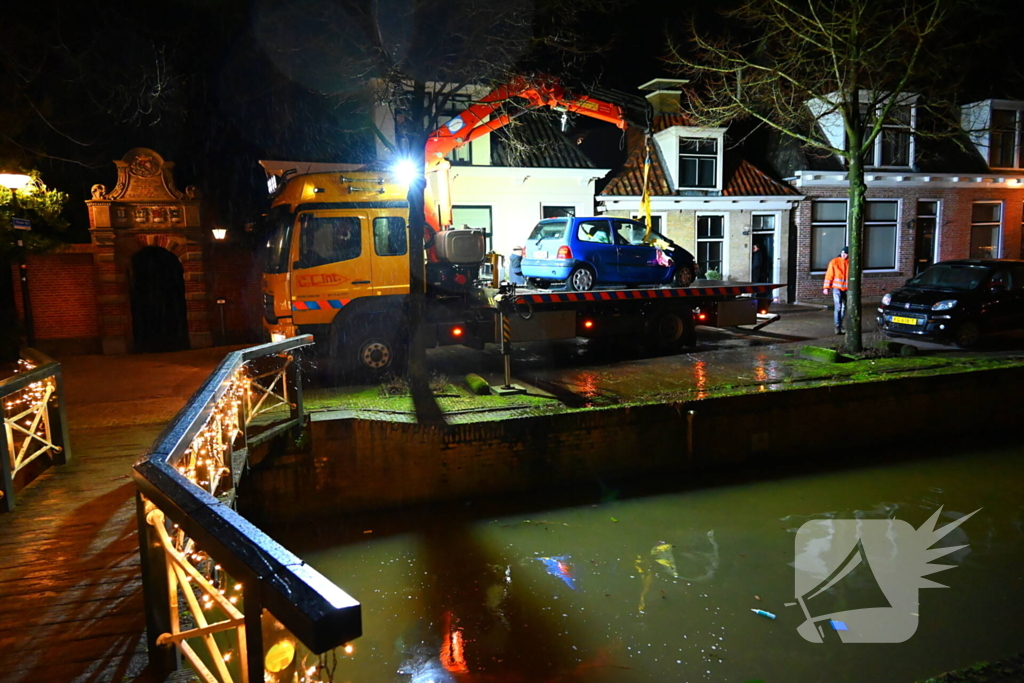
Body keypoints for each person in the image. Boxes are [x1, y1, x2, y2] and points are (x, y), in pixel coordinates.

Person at [823, 246, 849, 334]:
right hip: (837, 288)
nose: (844, 255)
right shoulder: (834, 262)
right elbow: (829, 275)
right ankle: (838, 326)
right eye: (842, 253)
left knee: (844, 307)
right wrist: (826, 287)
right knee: (838, 307)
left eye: (845, 253)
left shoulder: (850, 263)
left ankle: (840, 325)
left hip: (847, 289)